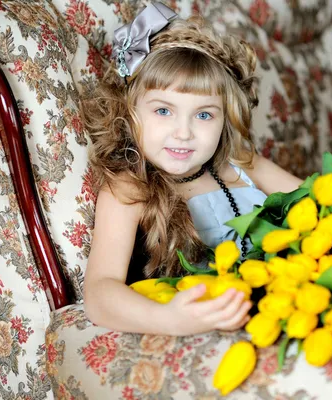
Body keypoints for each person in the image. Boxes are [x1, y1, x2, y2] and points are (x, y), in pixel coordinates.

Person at [81, 2, 303, 337]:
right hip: (212, 329)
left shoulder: (243, 165)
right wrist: (170, 319)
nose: (183, 132)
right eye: (164, 111)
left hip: (291, 305)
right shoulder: (131, 188)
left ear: (224, 120)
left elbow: (323, 207)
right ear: (128, 111)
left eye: (203, 115)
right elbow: (99, 292)